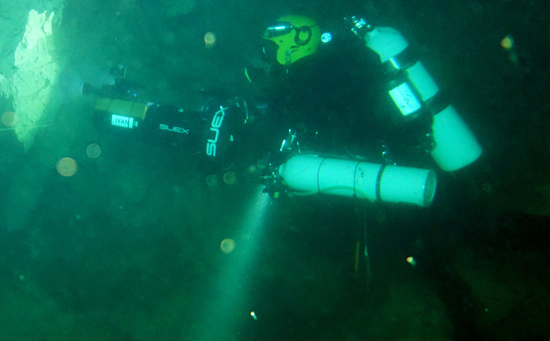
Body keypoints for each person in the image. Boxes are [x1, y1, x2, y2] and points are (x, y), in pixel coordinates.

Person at [86, 15, 482, 207]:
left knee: (199, 128)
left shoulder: (321, 71)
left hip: (393, 159)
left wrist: (248, 114)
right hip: (400, 157)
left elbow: (300, 113)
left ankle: (124, 109)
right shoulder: (339, 64)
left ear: (295, 42)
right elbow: (314, 117)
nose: (267, 58)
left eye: (270, 49)